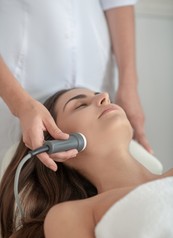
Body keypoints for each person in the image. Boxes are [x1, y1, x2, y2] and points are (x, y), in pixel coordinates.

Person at [0, 87, 172, 238]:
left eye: (103, 96)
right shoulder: (71, 217)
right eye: (80, 105)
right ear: (58, 147)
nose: (105, 96)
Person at [0, 0, 152, 171]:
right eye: (80, 105)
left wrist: (129, 86)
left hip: (95, 70)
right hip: (21, 84)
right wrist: (21, 104)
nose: (105, 97)